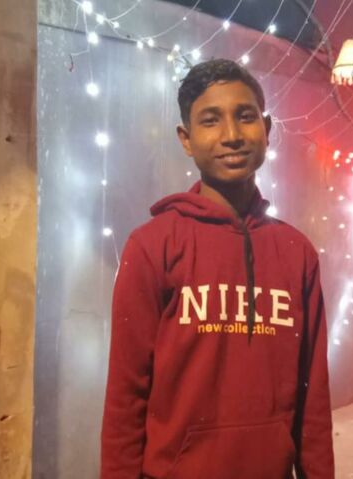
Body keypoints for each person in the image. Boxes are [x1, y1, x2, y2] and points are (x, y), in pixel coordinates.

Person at [101, 58, 334, 479]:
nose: (231, 135)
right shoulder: (153, 247)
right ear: (186, 139)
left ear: (266, 128)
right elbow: (125, 395)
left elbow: (313, 396)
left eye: (245, 116)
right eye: (211, 121)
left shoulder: (296, 253)